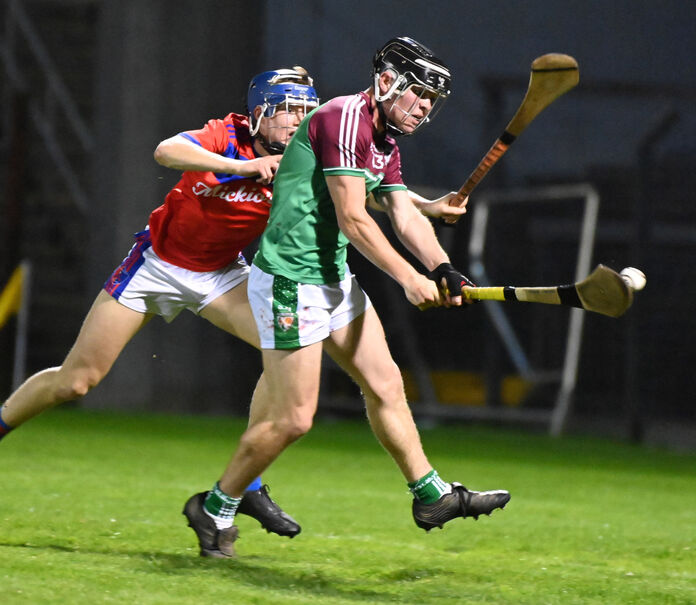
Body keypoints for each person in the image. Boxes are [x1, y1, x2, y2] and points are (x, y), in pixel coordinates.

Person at [0, 66, 467, 541]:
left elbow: (361, 185)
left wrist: (426, 206)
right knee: (77, 381)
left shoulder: (302, 153)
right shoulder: (228, 135)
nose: (298, 119)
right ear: (260, 112)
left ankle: (247, 485)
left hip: (222, 275)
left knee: (284, 351)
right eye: (288, 110)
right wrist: (243, 167)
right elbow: (166, 150)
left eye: (305, 110)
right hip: (157, 266)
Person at [182, 37, 510, 559]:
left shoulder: (384, 142)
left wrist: (443, 269)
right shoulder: (342, 120)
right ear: (387, 82)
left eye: (432, 100)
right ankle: (215, 507)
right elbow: (355, 218)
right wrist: (408, 279)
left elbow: (402, 213)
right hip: (290, 281)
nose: (424, 107)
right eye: (419, 93)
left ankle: (432, 497)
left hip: (332, 280)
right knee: (293, 419)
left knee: (386, 385)